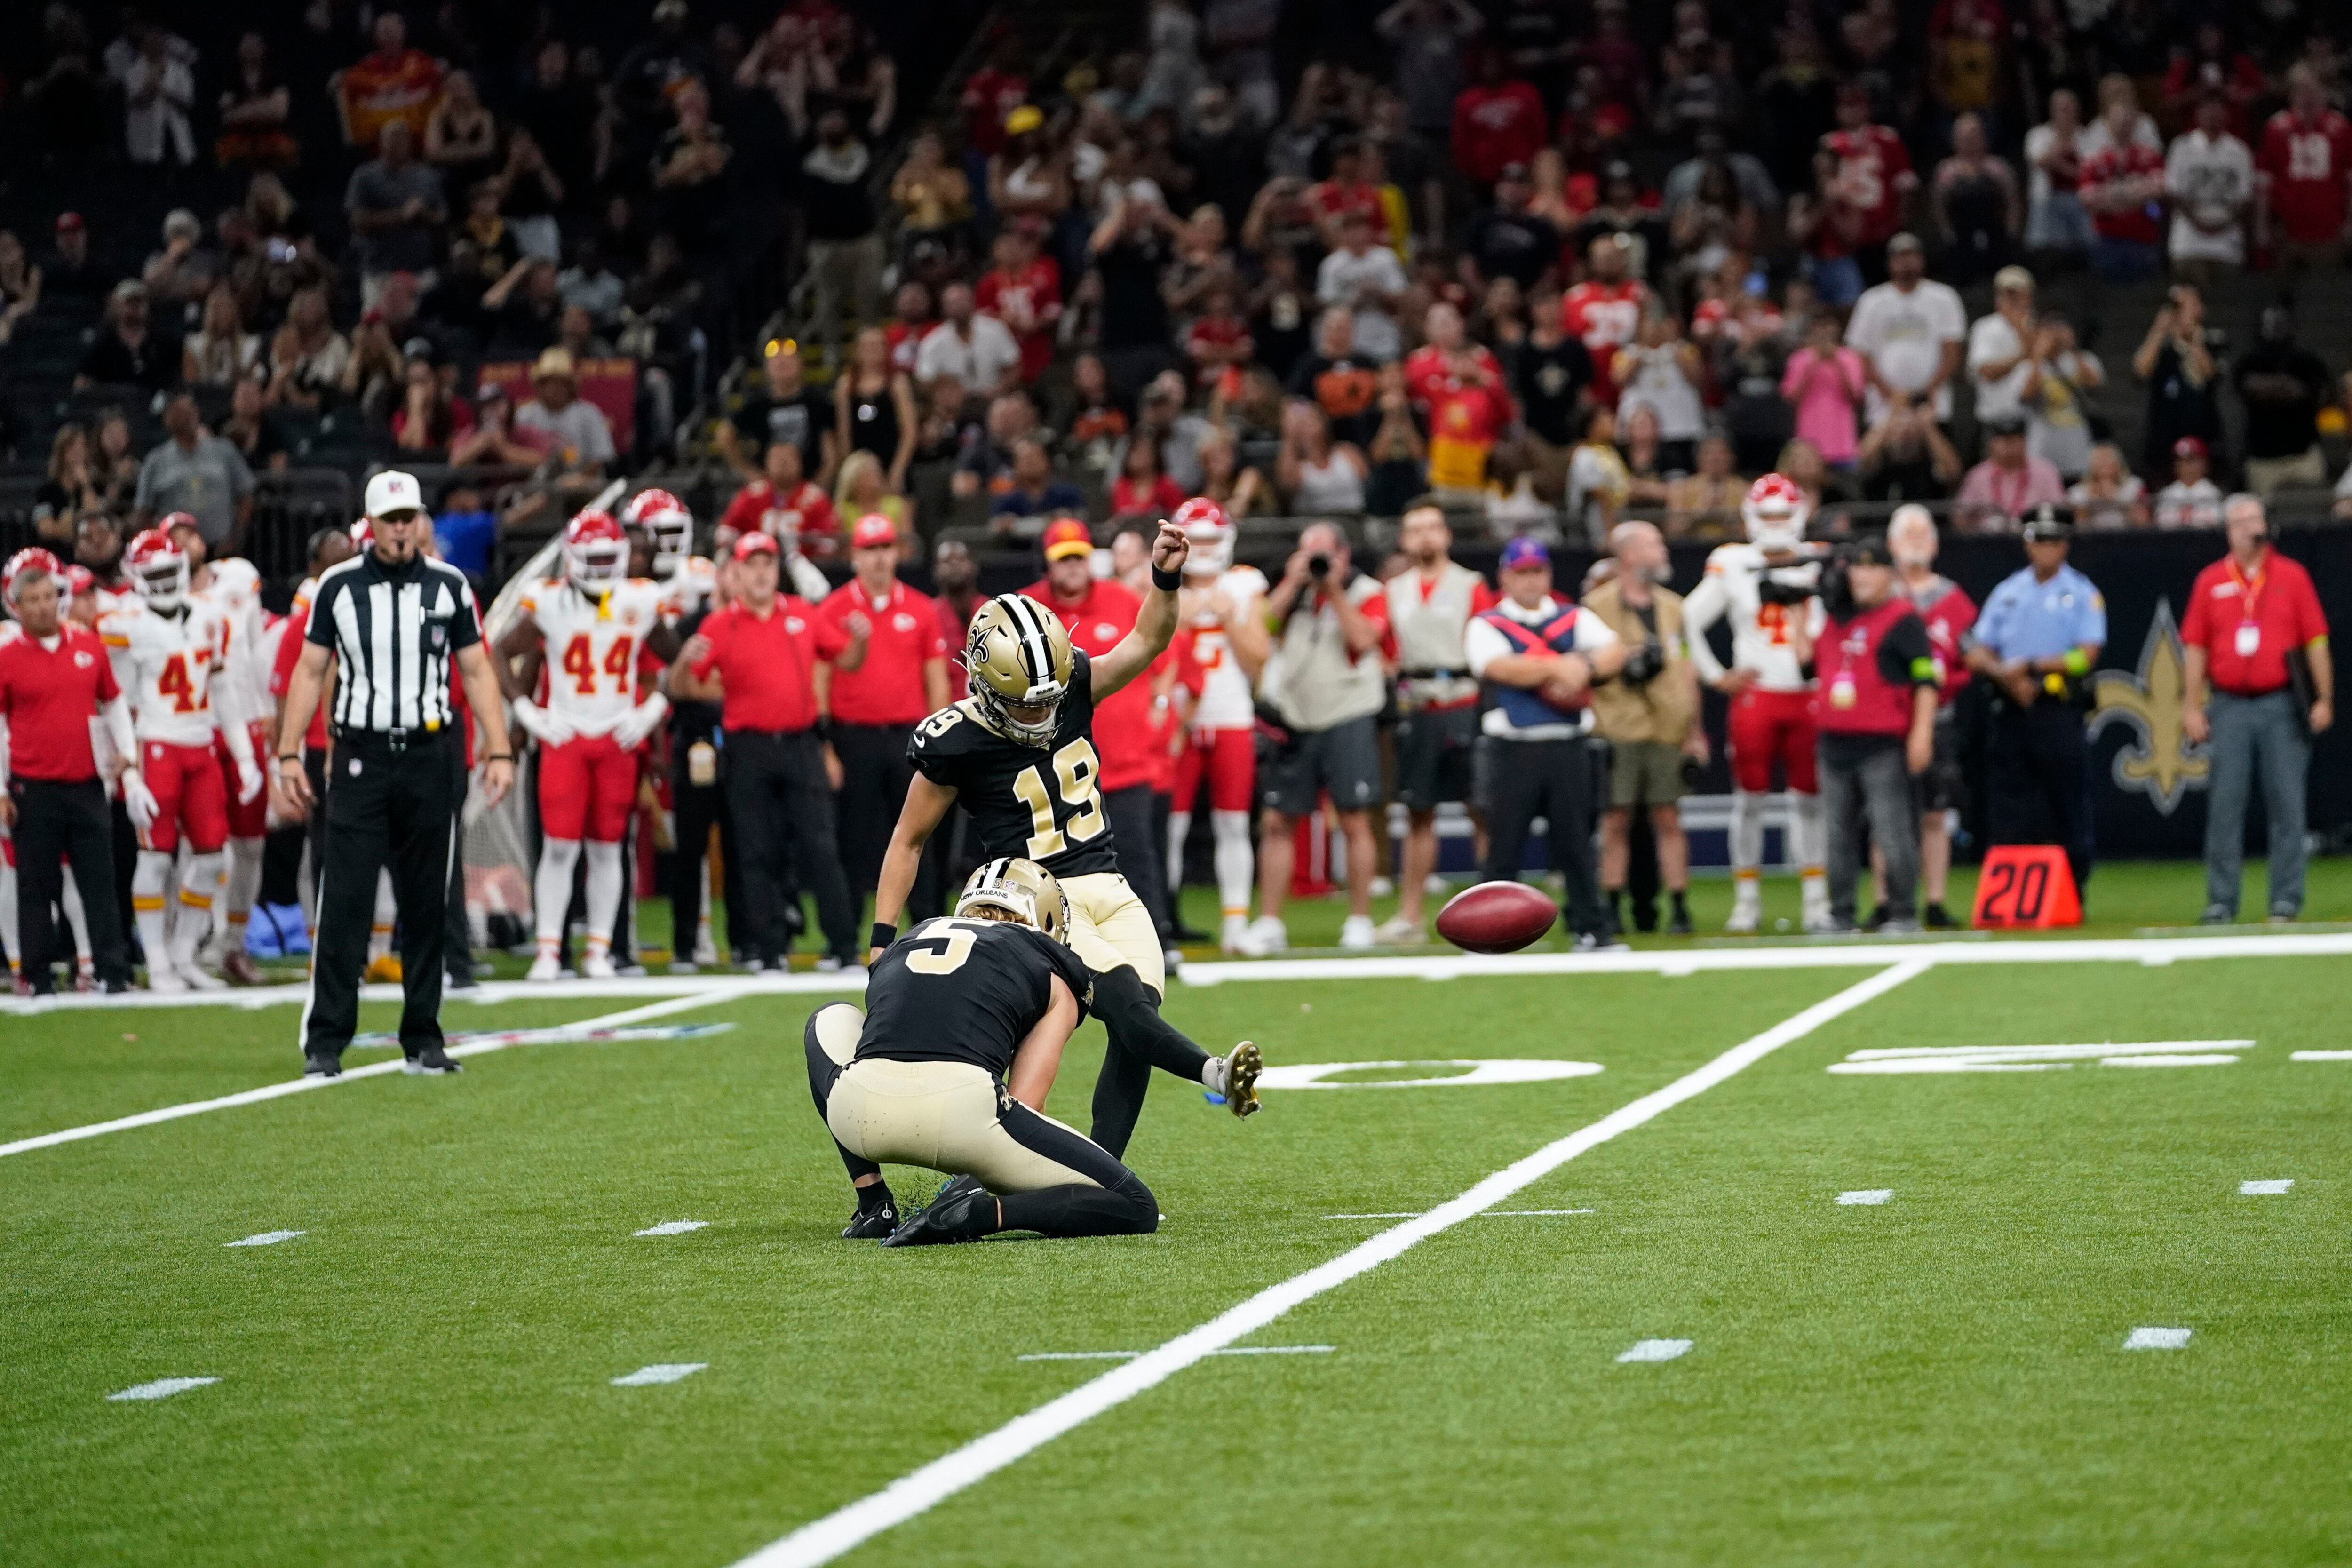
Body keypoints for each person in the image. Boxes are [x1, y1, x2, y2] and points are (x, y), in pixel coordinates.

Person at [868, 523, 1263, 1162]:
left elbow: (1148, 639)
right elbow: (907, 842)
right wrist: (881, 937)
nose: (1040, 713)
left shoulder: (1069, 683)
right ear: (984, 685)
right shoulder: (956, 741)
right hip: (1037, 902)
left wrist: (1164, 578)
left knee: (1137, 1031)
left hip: (1111, 882)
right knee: (1129, 1007)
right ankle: (1215, 1074)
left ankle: (1101, 1172)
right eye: (1024, 704)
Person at [272, 471, 516, 1078]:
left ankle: (423, 1037)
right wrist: (286, 753)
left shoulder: (450, 586)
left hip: (430, 757)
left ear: (420, 520)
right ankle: (326, 1041)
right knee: (346, 901)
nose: (402, 528)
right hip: (361, 756)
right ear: (372, 525)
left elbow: (478, 671)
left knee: (427, 901)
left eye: (409, 517)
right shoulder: (338, 587)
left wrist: (499, 748)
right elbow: (309, 671)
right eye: (391, 519)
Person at [803, 859, 1162, 1245]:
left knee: (829, 1017)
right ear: (1046, 920)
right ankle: (983, 1213)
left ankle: (873, 1201)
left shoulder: (913, 936)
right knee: (1136, 1203)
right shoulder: (1050, 964)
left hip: (857, 1111)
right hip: (966, 1114)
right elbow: (1027, 1101)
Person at [668, 532, 862, 971]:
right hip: (748, 746)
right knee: (757, 849)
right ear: (735, 572)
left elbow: (848, 659)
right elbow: (683, 688)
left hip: (799, 742)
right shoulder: (719, 624)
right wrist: (683, 661)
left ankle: (844, 946)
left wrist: (862, 639)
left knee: (821, 847)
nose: (761, 573)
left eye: (768, 564)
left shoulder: (802, 613)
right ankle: (768, 949)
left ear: (777, 570)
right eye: (752, 564)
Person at [497, 511, 677, 981]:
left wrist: (652, 710)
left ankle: (597, 950)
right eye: (592, 558)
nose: (600, 568)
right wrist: (527, 712)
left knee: (605, 848)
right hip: (567, 736)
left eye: (606, 558)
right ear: (573, 559)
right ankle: (549, 950)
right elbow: (498, 650)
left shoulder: (641, 598)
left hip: (617, 734)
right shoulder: (550, 602)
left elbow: (681, 657)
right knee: (559, 848)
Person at [96, 527, 263, 989]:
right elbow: (116, 705)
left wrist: (246, 758)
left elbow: (224, 689)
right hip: (157, 747)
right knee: (155, 859)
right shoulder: (125, 624)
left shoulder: (211, 616)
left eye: (172, 570)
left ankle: (184, 954)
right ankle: (158, 962)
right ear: (137, 577)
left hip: (202, 746)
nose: (167, 580)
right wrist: (128, 771)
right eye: (157, 573)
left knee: (213, 856)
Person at [1682, 475, 1831, 933]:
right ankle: (1745, 898)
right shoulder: (1732, 561)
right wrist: (1714, 676)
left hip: (1806, 695)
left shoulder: (1818, 561)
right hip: (1756, 696)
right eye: (1766, 516)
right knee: (1749, 799)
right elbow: (1686, 618)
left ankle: (1815, 899)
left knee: (1810, 800)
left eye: (1781, 516)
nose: (1773, 525)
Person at [1465, 536, 1628, 951]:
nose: (1530, 581)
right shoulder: (1487, 623)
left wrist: (1585, 666)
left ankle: (1591, 928)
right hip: (1513, 748)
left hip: (1568, 744)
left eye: (1537, 571)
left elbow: (1614, 652)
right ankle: (1491, 933)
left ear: (1548, 574)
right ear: (1505, 577)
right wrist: (1562, 666)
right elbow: (1499, 667)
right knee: (1503, 845)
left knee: (1576, 845)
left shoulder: (1574, 616)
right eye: (1521, 573)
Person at [2179, 495, 2333, 924]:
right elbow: (2195, 645)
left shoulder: (2292, 577)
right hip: (2229, 704)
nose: (2249, 528)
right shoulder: (2211, 581)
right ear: (2228, 532)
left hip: (2281, 702)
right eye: (2239, 522)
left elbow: (2316, 640)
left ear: (2266, 524)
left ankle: (2286, 898)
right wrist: (2192, 705)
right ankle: (2221, 900)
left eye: (2254, 519)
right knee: (2225, 806)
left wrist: (2325, 697)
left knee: (2288, 803)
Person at [1245, 522, 1393, 955]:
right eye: (1309, 553)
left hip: (1348, 714)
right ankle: (1271, 922)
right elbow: (1263, 628)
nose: (1318, 563)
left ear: (1344, 556)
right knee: (1278, 822)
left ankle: (1361, 919)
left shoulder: (1367, 591)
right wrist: (1294, 581)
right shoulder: (1296, 594)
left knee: (1354, 819)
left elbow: (1365, 639)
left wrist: (1335, 589)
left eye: (1324, 554)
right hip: (1296, 717)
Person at [0, 549, 136, 993]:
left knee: (100, 882)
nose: (42, 606)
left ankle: (112, 970)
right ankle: (37, 975)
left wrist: (127, 755)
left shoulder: (88, 647)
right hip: (32, 784)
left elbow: (113, 702)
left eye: (47, 596)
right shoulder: (7, 658)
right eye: (32, 599)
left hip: (86, 782)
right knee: (37, 887)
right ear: (17, 606)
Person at [1802, 534, 1940, 933]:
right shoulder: (1835, 617)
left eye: (1871, 567)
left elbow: (1926, 681)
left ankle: (1902, 912)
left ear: (1889, 574)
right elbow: (1810, 668)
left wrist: (1921, 734)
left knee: (1892, 831)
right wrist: (1795, 617)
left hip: (1881, 742)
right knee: (1837, 835)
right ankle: (1840, 913)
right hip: (1833, 741)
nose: (1861, 576)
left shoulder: (1903, 619)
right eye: (1856, 568)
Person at [816, 514, 953, 912]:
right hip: (853, 735)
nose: (877, 559)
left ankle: (928, 924)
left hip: (909, 737)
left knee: (920, 832)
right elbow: (820, 677)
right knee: (853, 837)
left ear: (896, 553)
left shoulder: (921, 608)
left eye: (884, 548)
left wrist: (943, 743)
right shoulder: (834, 609)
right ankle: (846, 933)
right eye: (869, 549)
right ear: (855, 556)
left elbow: (936, 679)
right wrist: (826, 744)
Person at [1964, 505, 2104, 894]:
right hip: (2011, 705)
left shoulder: (2081, 593)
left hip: (2056, 702)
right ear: (2027, 545)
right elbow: (1977, 650)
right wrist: (2007, 677)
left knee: (2067, 798)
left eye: (2053, 541)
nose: (2045, 549)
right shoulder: (2009, 591)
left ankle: (2074, 886)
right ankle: (2010, 889)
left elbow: (2086, 656)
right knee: (2011, 800)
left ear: (2065, 545)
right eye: (2038, 541)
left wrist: (2033, 667)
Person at [1376, 502, 1495, 945]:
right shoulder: (1395, 589)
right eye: (1415, 530)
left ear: (1446, 535)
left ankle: (1494, 908)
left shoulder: (1471, 585)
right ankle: (1410, 916)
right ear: (1405, 540)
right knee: (1418, 811)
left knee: (1480, 808)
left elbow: (1486, 637)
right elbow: (1382, 641)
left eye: (1432, 528)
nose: (1425, 537)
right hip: (1418, 703)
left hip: (1463, 698)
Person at [1584, 520, 1706, 937]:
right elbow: (1586, 667)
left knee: (1669, 817)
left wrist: (1695, 729)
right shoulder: (1596, 607)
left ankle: (1679, 905)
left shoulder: (1673, 607)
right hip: (1618, 725)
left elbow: (1686, 668)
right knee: (1615, 820)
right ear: (1630, 554)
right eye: (1654, 544)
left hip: (1668, 726)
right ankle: (1612, 903)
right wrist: (1627, 659)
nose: (1663, 550)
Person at [1166, 499, 1270, 954]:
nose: (1205, 550)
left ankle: (1235, 924)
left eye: (1211, 539)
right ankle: (1162, 922)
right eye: (1198, 540)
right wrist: (1177, 618)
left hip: (1230, 714)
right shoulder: (1162, 584)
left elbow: (1259, 658)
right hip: (1177, 720)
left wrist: (1228, 616)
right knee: (1169, 828)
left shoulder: (1244, 585)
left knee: (1234, 823)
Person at [1886, 504, 1975, 929]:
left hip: (1938, 717)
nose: (1917, 541)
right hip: (1886, 720)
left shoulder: (1953, 599)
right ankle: (1887, 899)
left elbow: (1970, 657)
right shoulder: (1879, 595)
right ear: (1891, 544)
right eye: (1908, 533)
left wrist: (1946, 682)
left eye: (1924, 533)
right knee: (1886, 813)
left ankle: (1935, 900)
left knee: (1935, 813)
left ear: (1937, 544)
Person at [1844, 234, 1965, 430]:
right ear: (1890, 262)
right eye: (1900, 257)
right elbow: (1860, 354)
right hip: (1884, 408)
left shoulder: (1944, 297)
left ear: (1922, 259)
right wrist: (1889, 393)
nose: (1906, 262)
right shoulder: (1871, 301)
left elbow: (1952, 353)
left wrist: (1927, 391)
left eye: (1911, 255)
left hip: (1933, 405)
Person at [133, 393, 255, 555]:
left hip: (221, 548)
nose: (187, 417)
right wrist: (158, 546)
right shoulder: (156, 461)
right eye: (180, 413)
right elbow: (143, 511)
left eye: (190, 411)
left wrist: (235, 537)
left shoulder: (224, 451)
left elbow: (246, 495)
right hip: (175, 553)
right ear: (168, 419)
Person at [1956, 414, 2066, 530]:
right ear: (1993, 444)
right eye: (2004, 441)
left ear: (2025, 442)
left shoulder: (2045, 471)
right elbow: (1960, 518)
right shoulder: (1978, 475)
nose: (2010, 447)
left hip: (2034, 537)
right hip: (1988, 541)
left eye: (2014, 441)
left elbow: (2059, 511)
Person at [2153, 437, 2226, 530]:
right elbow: (2162, 521)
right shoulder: (2168, 493)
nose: (2186, 467)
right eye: (2181, 461)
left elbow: (2215, 521)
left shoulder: (2213, 493)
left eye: (2191, 461)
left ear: (2204, 463)